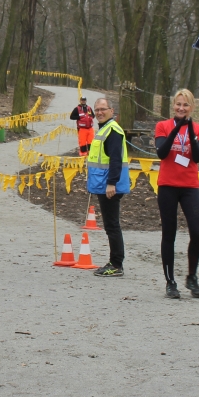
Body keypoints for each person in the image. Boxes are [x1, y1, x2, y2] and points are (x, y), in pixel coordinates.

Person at [154, 89, 199, 299]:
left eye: (185, 105)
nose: (181, 108)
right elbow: (162, 152)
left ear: (191, 107)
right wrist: (177, 129)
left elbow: (197, 157)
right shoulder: (163, 126)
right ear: (173, 106)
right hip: (167, 185)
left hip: (189, 186)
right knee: (169, 233)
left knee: (197, 232)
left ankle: (192, 277)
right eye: (178, 104)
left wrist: (190, 130)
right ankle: (170, 282)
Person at [86, 97, 130, 277]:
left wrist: (111, 183)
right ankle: (115, 262)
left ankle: (116, 264)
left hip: (109, 186)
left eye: (103, 109)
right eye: (97, 109)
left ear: (112, 111)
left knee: (112, 225)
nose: (99, 112)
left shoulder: (112, 130)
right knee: (110, 225)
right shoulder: (105, 129)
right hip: (104, 184)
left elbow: (115, 159)